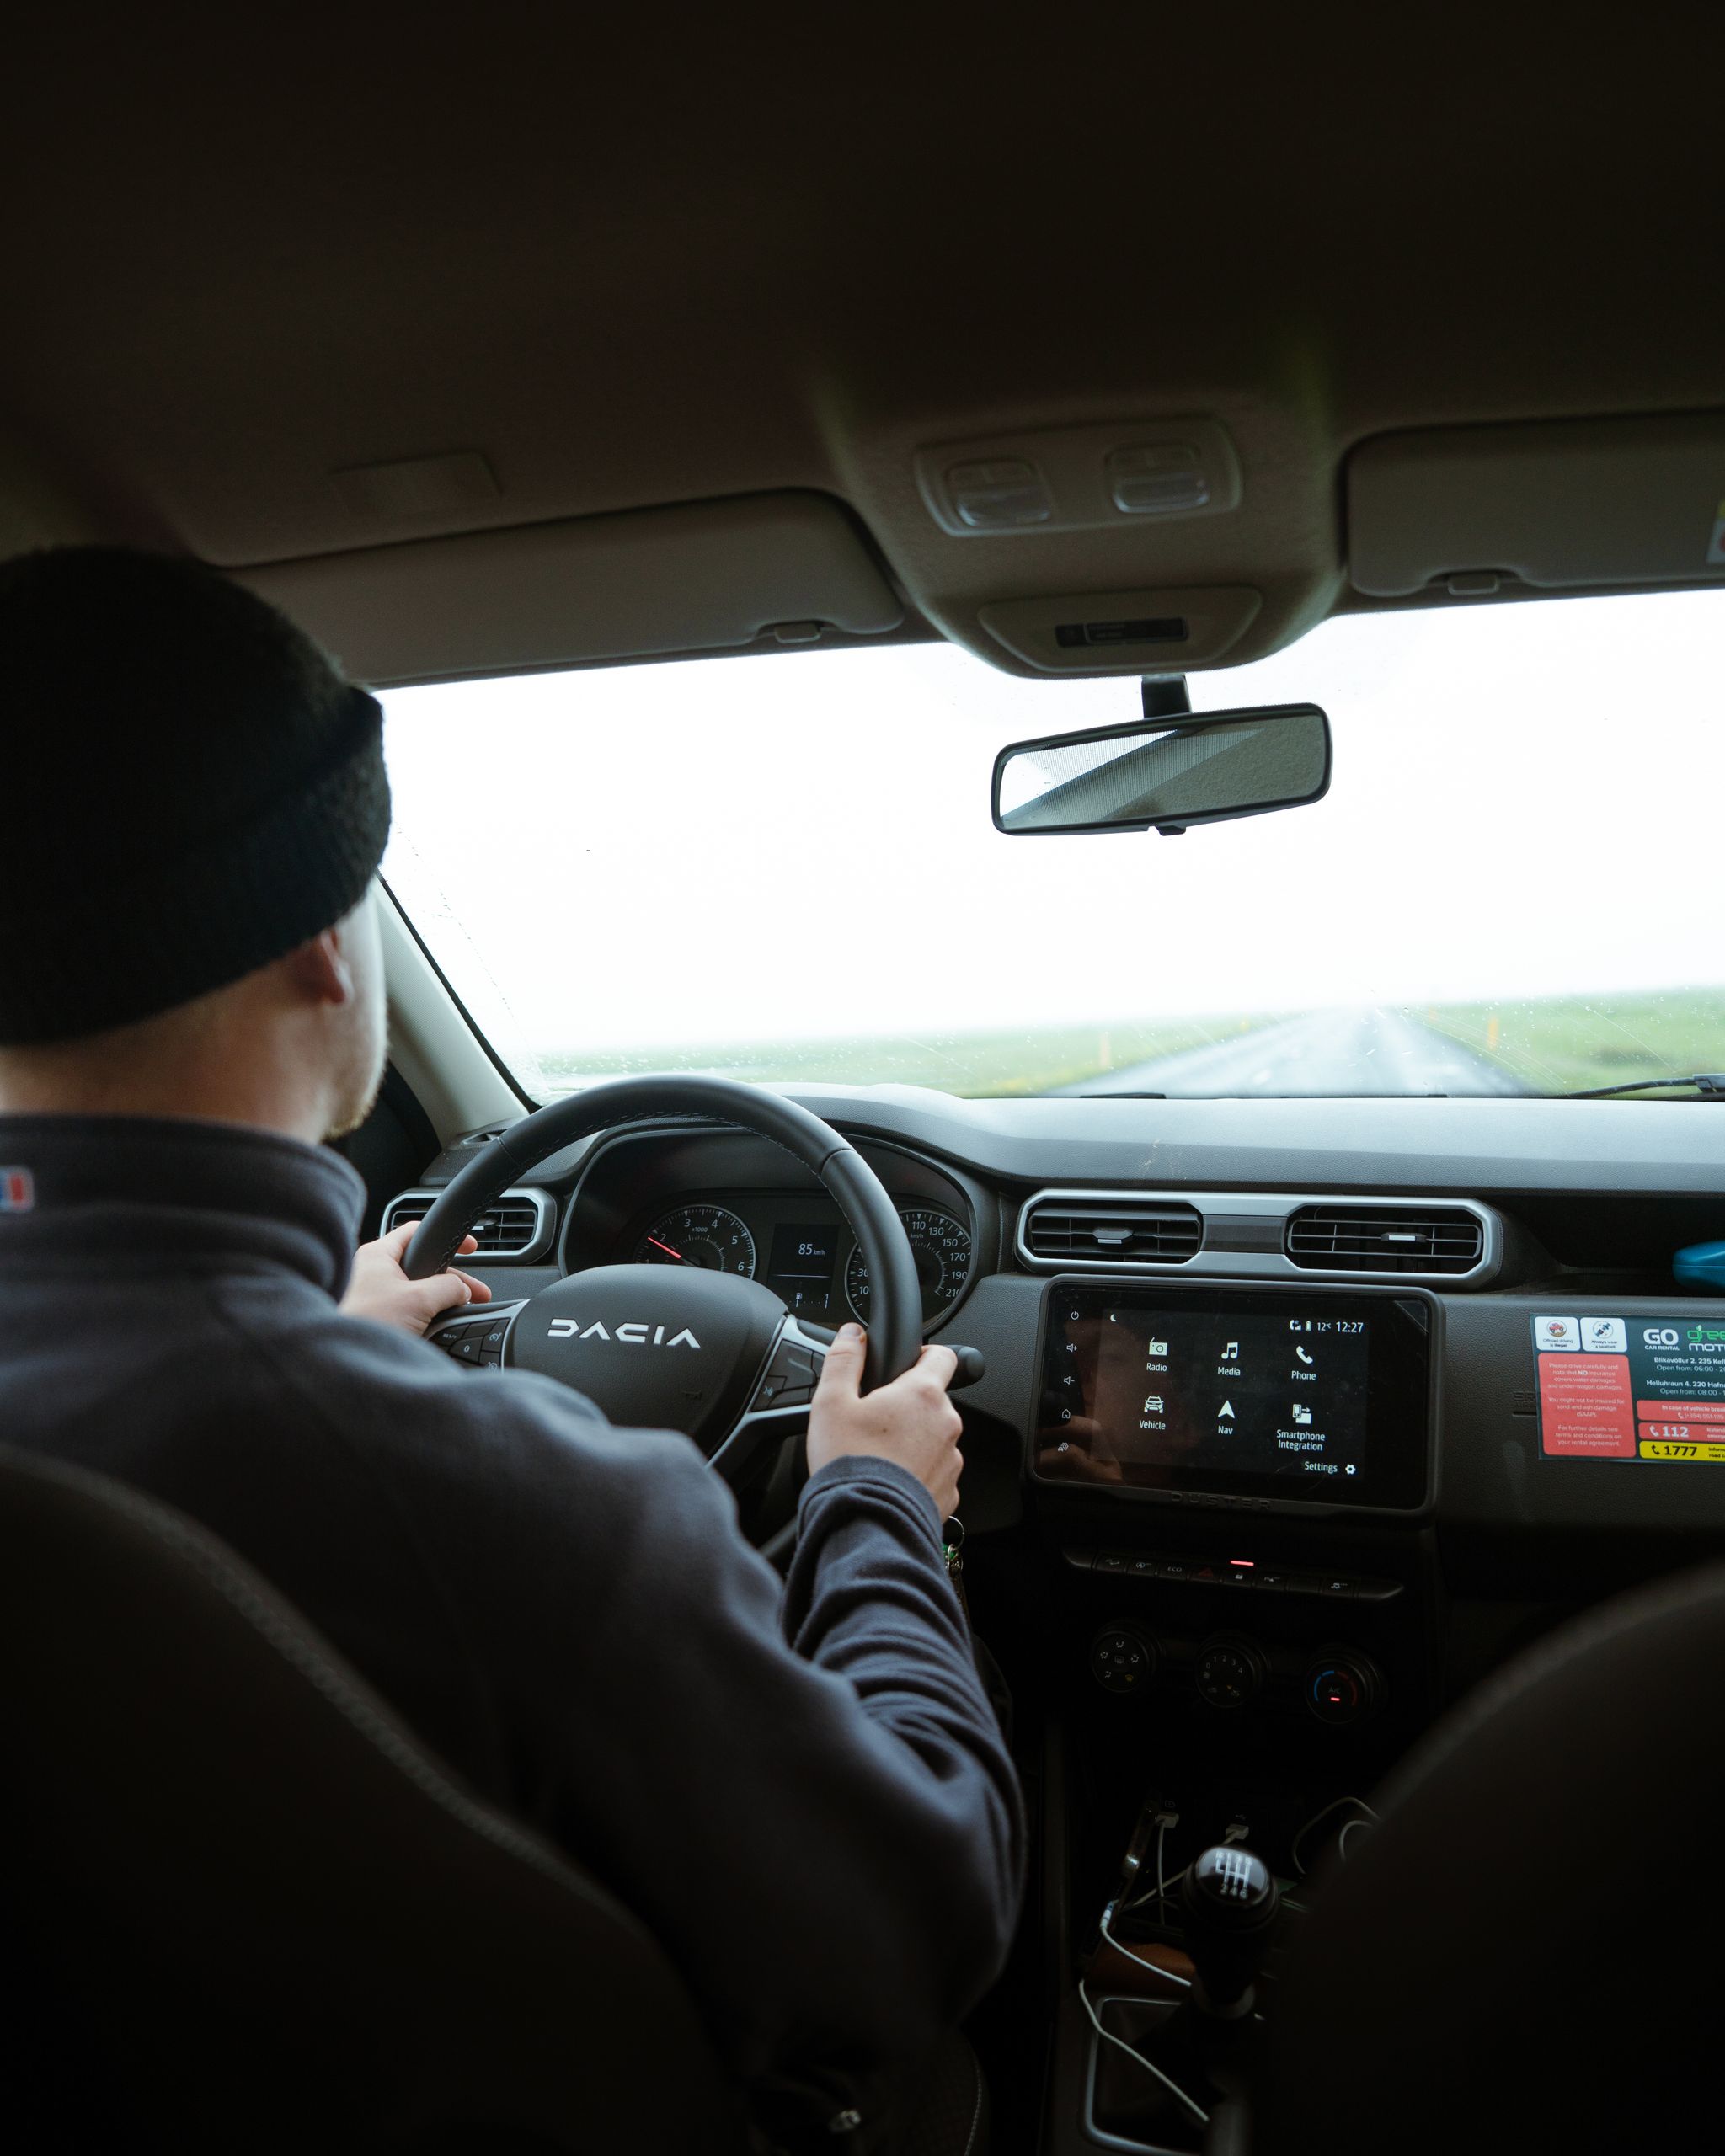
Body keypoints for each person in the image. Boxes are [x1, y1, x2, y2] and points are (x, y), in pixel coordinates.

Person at [0, 547, 1023, 2097]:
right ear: (328, 947)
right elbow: (913, 1937)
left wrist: (298, 1325)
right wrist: (873, 1505)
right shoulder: (535, 1515)